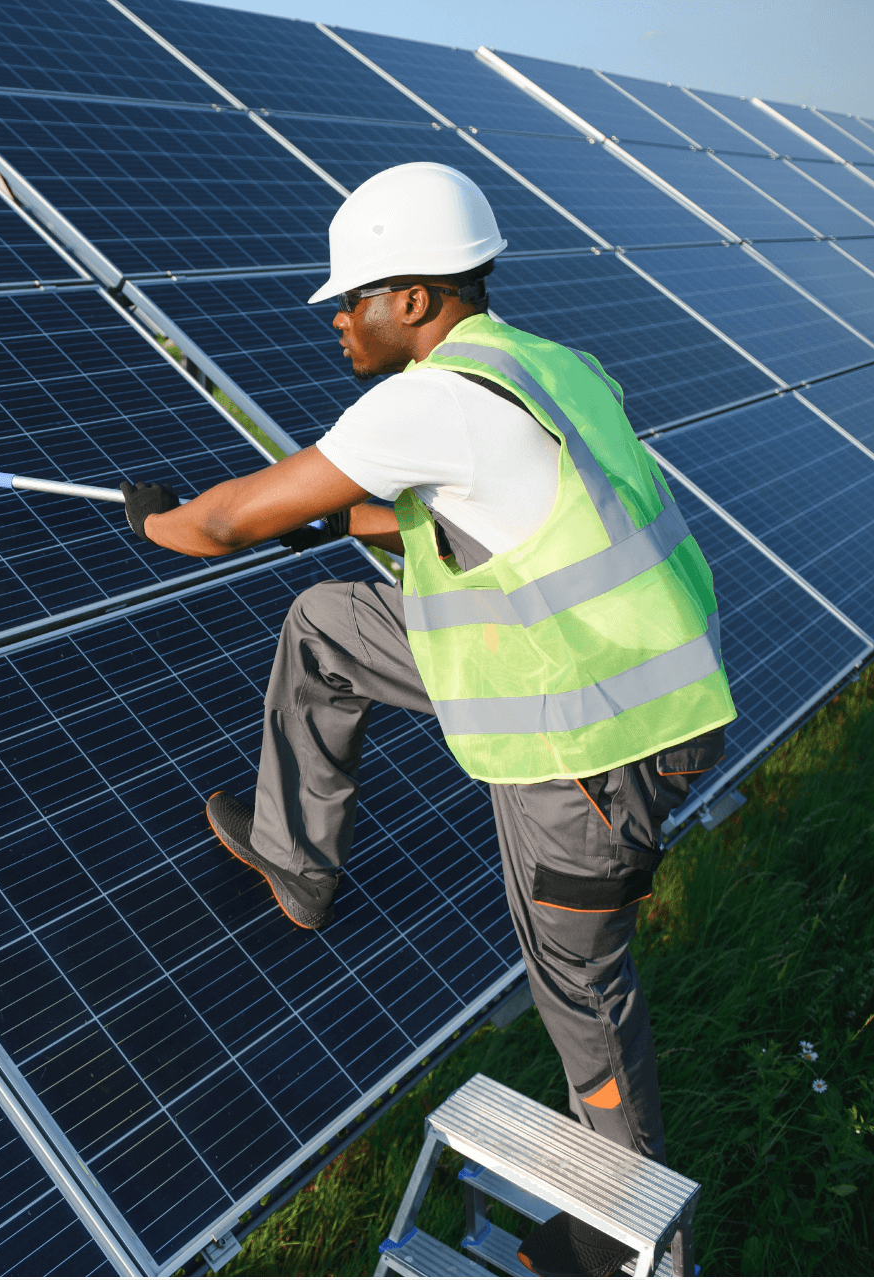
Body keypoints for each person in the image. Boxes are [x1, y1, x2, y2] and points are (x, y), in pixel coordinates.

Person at [119, 163, 734, 1277]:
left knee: (579, 988)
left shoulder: (428, 401)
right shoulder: (546, 365)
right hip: (582, 660)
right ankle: (296, 856)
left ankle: (633, 1238)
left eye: (352, 298)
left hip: (594, 738)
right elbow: (491, 505)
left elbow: (224, 525)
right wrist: (339, 520)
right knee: (328, 623)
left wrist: (163, 522)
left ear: (413, 298)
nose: (338, 318)